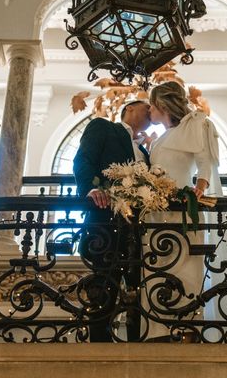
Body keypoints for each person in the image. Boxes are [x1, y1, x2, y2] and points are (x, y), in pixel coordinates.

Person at [145, 81, 223, 341]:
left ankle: (186, 327)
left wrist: (199, 188)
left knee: (185, 268)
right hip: (156, 214)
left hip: (181, 211)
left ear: (162, 105)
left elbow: (204, 162)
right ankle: (157, 331)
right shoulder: (160, 137)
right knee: (157, 267)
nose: (148, 111)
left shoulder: (195, 124)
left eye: (151, 106)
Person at [73, 100, 151, 343]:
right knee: (104, 285)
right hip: (106, 220)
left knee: (139, 290)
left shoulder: (146, 151)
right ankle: (100, 346)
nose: (151, 111)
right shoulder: (103, 127)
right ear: (129, 108)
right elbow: (83, 159)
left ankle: (136, 343)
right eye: (145, 107)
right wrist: (89, 190)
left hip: (140, 231)